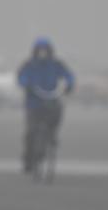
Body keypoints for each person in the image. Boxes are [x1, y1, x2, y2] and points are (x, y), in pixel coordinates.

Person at [16, 37, 75, 173]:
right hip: (34, 102)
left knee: (57, 114)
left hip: (51, 99)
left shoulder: (56, 64)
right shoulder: (29, 65)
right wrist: (27, 85)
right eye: (40, 50)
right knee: (31, 131)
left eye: (45, 50)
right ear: (35, 51)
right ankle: (28, 159)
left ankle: (52, 135)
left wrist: (69, 85)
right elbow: (21, 77)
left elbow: (68, 75)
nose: (42, 53)